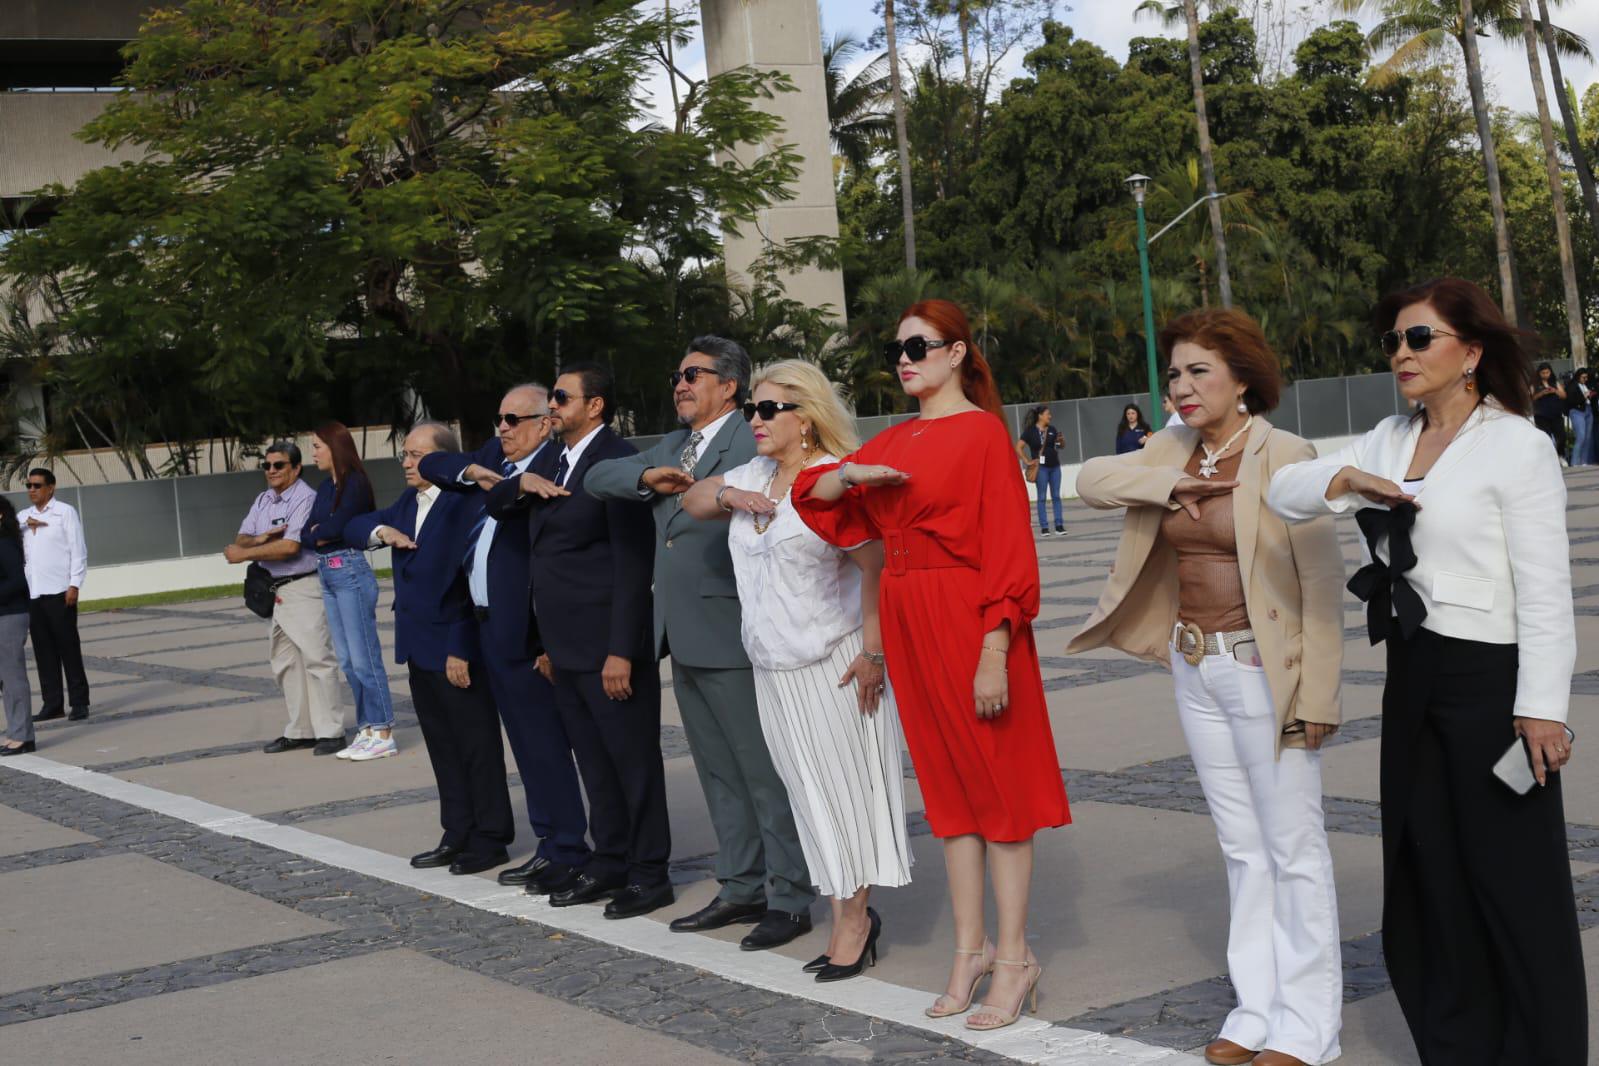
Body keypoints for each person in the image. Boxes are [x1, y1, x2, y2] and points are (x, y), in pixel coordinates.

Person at [1268, 277, 1586, 1066]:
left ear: (1469, 352)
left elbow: (1545, 588)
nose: (1399, 354)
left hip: (1492, 682)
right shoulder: (1384, 437)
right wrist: (1344, 480)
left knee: (1513, 883)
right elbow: (1283, 491)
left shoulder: (1514, 443)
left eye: (1418, 339)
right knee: (1428, 870)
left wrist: (1543, 708)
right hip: (1413, 671)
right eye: (1392, 342)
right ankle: (1459, 1044)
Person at [1072, 309, 1346, 1066]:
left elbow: (1321, 587)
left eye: (1198, 371)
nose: (1181, 387)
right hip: (1193, 667)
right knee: (1241, 847)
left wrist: (1315, 696)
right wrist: (1172, 482)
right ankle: (1255, 1011)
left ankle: (1307, 1028)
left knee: (1292, 847)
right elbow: (1096, 480)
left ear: (1241, 376)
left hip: (1263, 673)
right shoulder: (1171, 448)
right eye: (1173, 374)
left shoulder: (1285, 452)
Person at [793, 299, 1070, 1031]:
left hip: (969, 616)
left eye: (920, 346)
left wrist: (994, 649)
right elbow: (813, 499)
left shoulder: (982, 434)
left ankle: (1013, 958)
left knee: (1000, 794)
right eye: (897, 350)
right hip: (910, 618)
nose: (905, 359)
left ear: (957, 353)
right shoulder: (896, 439)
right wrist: (845, 478)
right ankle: (968, 951)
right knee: (950, 800)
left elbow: (1010, 546)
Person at [683, 359, 911, 983]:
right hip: (770, 667)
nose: (754, 420)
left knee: (844, 798)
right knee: (807, 799)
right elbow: (696, 497)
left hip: (832, 664)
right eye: (752, 409)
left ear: (805, 418)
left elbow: (876, 569)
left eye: (767, 410)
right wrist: (731, 493)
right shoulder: (754, 473)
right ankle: (846, 915)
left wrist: (874, 653)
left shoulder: (828, 480)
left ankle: (853, 923)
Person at [587, 337, 816, 951]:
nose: (680, 385)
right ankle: (741, 886)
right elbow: (598, 474)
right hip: (682, 634)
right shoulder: (673, 446)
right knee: (719, 771)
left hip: (736, 630)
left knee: (762, 773)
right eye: (677, 375)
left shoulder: (750, 436)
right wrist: (645, 476)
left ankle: (790, 896)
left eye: (693, 375)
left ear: (730, 386)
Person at [487, 363, 671, 918]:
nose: (552, 407)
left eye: (561, 397)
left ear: (594, 406)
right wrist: (519, 482)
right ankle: (611, 859)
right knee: (594, 763)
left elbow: (632, 563)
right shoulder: (549, 458)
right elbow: (495, 503)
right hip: (563, 648)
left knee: (632, 763)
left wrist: (622, 649)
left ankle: (648, 872)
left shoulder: (617, 461)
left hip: (609, 648)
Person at [419, 385, 590, 892]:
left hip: (529, 629)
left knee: (544, 743)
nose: (503, 428)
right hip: (485, 623)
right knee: (524, 743)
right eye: (499, 418)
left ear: (544, 423)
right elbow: (432, 466)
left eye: (514, 420)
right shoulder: (496, 457)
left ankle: (568, 847)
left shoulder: (559, 463)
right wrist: (473, 472)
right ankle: (550, 842)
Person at [345, 422, 515, 875]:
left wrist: (460, 647)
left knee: (476, 745)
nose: (406, 462)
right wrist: (383, 531)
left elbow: (466, 580)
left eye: (417, 455)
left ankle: (490, 837)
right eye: (404, 453)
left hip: (455, 647)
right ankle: (457, 831)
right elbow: (353, 524)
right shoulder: (407, 503)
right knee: (443, 747)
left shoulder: (464, 502)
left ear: (446, 461)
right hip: (418, 647)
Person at [226, 442, 345, 755]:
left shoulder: (306, 498)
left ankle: (331, 730)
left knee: (317, 659)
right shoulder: (263, 499)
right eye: (267, 466)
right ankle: (301, 729)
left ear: (295, 468)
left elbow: (291, 546)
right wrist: (262, 539)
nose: (271, 471)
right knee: (286, 663)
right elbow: (241, 537)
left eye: (278, 465)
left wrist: (245, 553)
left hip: (302, 585)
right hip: (273, 588)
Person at [306, 421, 395, 761]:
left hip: (350, 570)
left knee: (364, 657)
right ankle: (366, 728)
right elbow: (308, 532)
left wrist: (322, 532)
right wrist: (320, 533)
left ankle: (383, 729)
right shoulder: (324, 488)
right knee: (345, 659)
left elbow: (337, 527)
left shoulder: (354, 483)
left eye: (317, 446)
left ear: (334, 446)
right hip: (326, 572)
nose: (313, 453)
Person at [20, 468, 90, 723]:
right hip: (34, 593)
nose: (32, 490)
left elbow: (78, 550)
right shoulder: (23, 517)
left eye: (37, 485)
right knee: (43, 650)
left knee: (68, 648)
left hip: (60, 591)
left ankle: (80, 702)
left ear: (51, 487)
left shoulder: (65, 512)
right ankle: (53, 703)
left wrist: (74, 584)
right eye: (29, 485)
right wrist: (25, 524)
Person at [0, 497, 34, 756]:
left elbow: (18, 581)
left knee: (13, 676)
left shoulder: (5, 544)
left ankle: (22, 736)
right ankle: (14, 731)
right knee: (5, 678)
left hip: (11, 616)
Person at [1015, 406, 1065, 537]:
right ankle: (1044, 527)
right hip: (1041, 469)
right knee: (1042, 497)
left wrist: (1061, 441)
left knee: (1056, 496)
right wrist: (1027, 461)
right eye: (1048, 414)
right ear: (1040, 416)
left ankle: (1059, 525)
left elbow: (1060, 446)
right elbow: (1018, 447)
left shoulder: (1052, 429)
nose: (1050, 416)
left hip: (1055, 467)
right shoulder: (1030, 431)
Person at [1531, 361, 1566, 458]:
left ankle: (1560, 455)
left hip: (1556, 414)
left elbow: (1564, 395)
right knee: (1547, 438)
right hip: (1542, 415)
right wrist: (1542, 393)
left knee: (1561, 436)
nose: (1546, 375)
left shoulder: (1555, 382)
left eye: (1547, 372)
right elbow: (1531, 398)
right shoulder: (1534, 384)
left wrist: (1555, 391)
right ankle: (1550, 458)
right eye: (1543, 373)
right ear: (1539, 373)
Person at [1565, 366, 1592, 466]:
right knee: (1581, 436)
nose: (1585, 380)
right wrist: (1583, 396)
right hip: (1577, 411)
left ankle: (1583, 461)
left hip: (1588, 409)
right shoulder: (1572, 386)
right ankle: (1574, 462)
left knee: (1587, 437)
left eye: (1586, 377)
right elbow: (1571, 400)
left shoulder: (1586, 385)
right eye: (1583, 377)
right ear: (1578, 377)